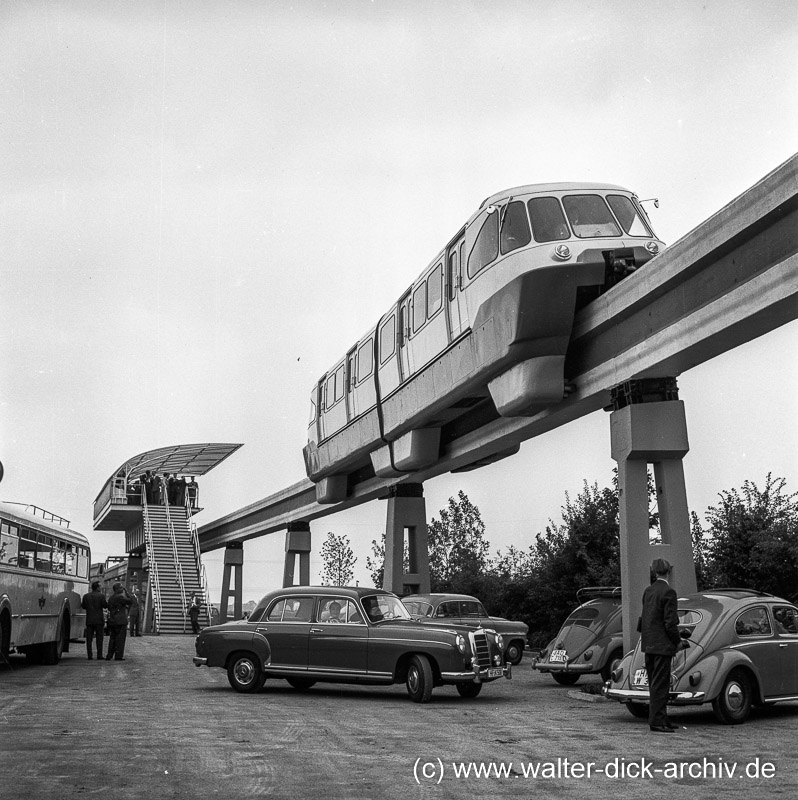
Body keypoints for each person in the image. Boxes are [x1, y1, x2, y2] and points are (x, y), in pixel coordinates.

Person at [639, 558, 688, 733]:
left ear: (654, 572)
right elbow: (669, 623)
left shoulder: (648, 591)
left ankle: (662, 718)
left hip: (649, 643)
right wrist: (678, 642)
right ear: (669, 571)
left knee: (655, 683)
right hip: (662, 645)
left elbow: (645, 617)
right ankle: (657, 721)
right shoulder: (669, 592)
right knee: (661, 684)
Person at [81, 581, 108, 660]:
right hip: (99, 620)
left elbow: (83, 606)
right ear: (97, 587)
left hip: (89, 620)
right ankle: (99, 655)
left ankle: (90, 655)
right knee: (99, 639)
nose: (100, 588)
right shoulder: (101, 596)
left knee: (89, 639)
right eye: (100, 586)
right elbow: (105, 605)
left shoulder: (86, 596)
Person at [105, 583, 133, 660]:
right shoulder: (120, 597)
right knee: (120, 639)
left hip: (113, 620)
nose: (122, 589)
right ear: (117, 589)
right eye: (121, 588)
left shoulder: (111, 598)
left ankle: (109, 655)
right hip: (120, 621)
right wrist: (127, 592)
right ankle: (118, 655)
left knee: (112, 638)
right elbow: (130, 601)